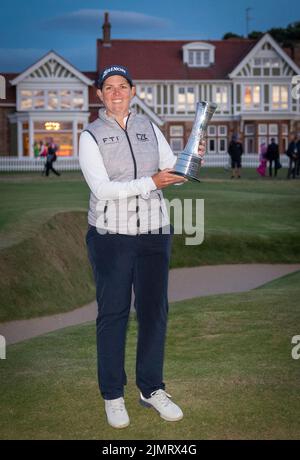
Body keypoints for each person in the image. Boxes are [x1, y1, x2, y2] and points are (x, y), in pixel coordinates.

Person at [79, 64, 205, 429]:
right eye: (109, 87)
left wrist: (186, 164)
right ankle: (113, 395)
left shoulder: (150, 128)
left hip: (154, 232)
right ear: (100, 95)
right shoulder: (90, 135)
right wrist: (151, 182)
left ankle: (151, 388)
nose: (116, 92)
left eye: (123, 86)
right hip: (110, 236)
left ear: (133, 92)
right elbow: (102, 190)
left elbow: (171, 174)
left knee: (154, 312)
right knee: (114, 313)